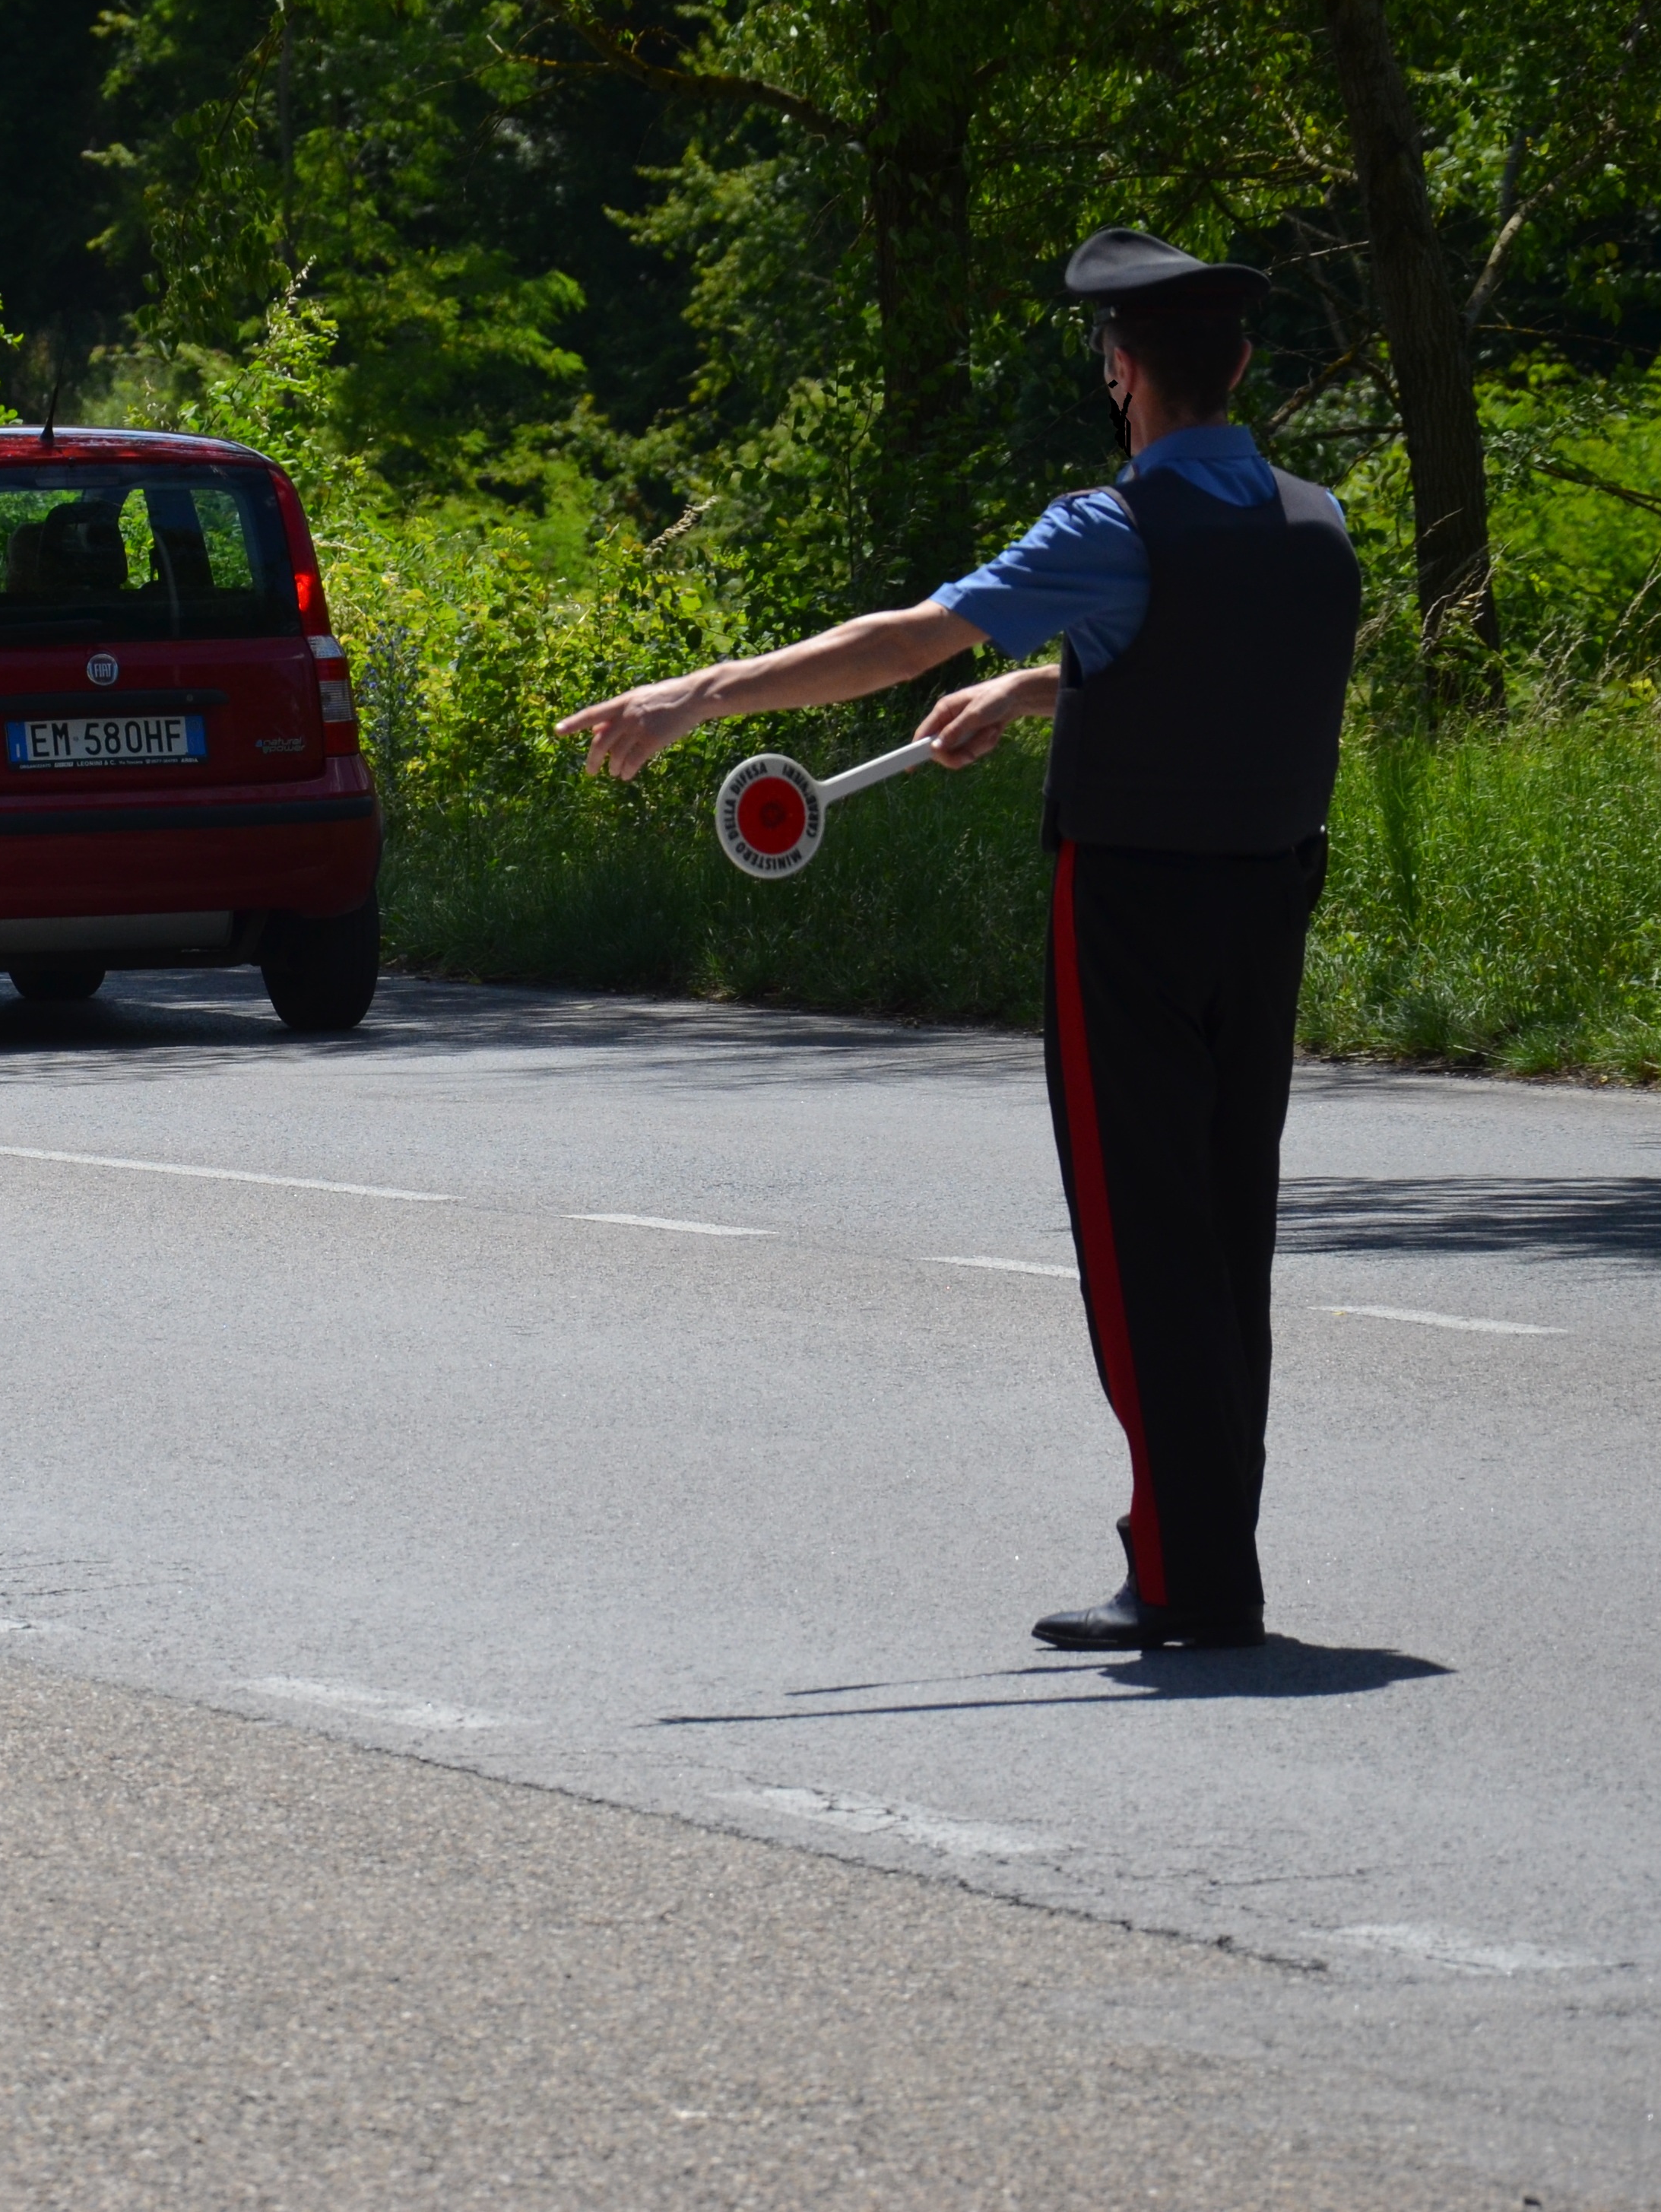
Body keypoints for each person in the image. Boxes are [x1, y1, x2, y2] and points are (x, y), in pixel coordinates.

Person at [555, 228, 1361, 1651]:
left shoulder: (1111, 529)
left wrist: (696, 694)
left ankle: (1187, 1576)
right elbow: (1208, 671)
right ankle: (1206, 1548)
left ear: (1121, 372)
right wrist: (1047, 690)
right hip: (1268, 903)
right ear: (1237, 365)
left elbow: (909, 639)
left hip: (1131, 910)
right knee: (1228, 1234)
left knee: (1139, 1238)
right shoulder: (1318, 521)